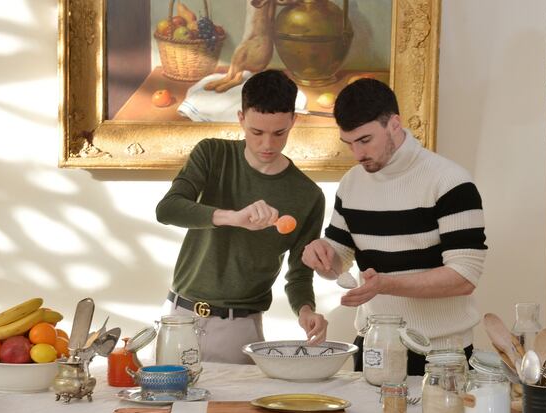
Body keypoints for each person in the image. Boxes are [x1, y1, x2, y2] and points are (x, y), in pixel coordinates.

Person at [301, 79, 488, 376]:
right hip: (373, 344)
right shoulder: (352, 182)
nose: (357, 154)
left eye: (365, 140)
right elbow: (338, 261)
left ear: (395, 124)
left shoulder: (450, 182)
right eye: (349, 143)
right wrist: (320, 255)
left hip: (440, 353)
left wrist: (387, 285)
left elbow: (464, 277)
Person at [156, 70, 328, 365]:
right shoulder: (212, 154)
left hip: (240, 329)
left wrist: (306, 310)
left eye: (279, 133)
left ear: (293, 122)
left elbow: (299, 273)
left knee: (235, 412)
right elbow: (168, 209)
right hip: (179, 318)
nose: (267, 145)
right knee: (167, 408)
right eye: (256, 132)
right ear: (240, 118)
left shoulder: (307, 195)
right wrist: (233, 217)